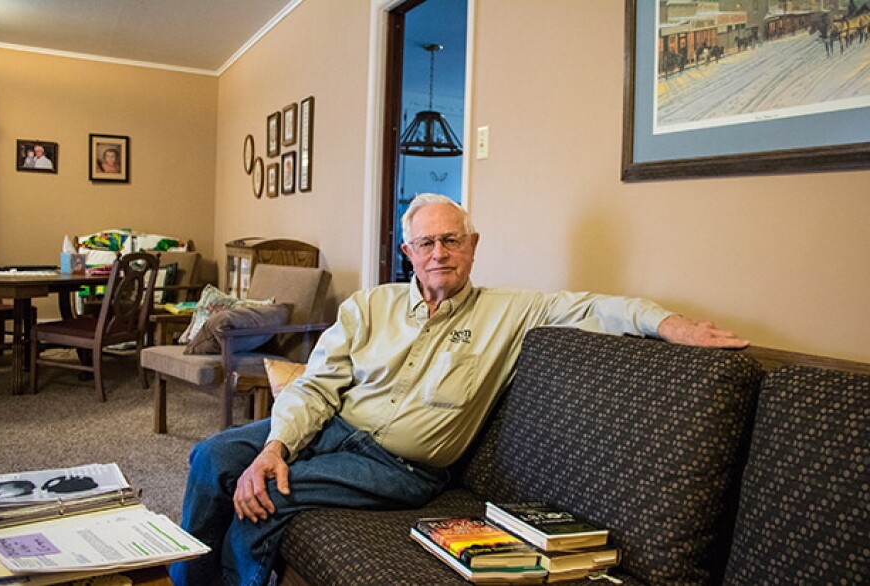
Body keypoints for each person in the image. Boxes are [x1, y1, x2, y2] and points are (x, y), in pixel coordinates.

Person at [171, 193, 748, 586]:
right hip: (331, 428)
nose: (439, 253)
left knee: (264, 499)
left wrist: (672, 325)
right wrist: (276, 446)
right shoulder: (371, 304)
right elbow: (318, 386)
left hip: (399, 468)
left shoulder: (512, 311)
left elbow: (596, 304)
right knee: (213, 456)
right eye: (426, 244)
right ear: (408, 254)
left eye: (451, 240)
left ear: (473, 245)